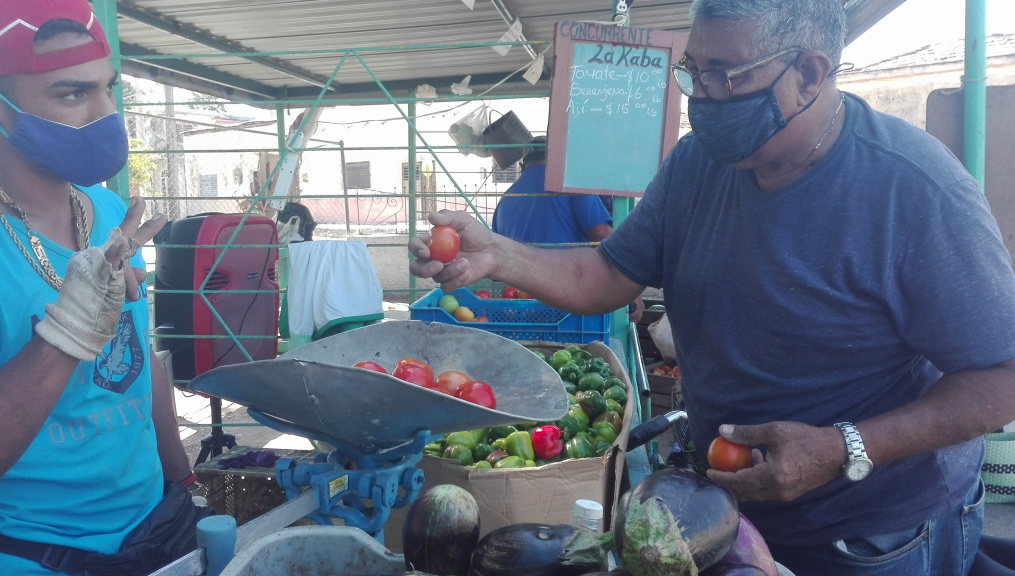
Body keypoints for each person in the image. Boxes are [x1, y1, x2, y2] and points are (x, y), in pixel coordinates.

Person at [409, 0, 1015, 574]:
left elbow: (1002, 378)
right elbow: (608, 275)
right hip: (726, 518)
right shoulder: (697, 163)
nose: (702, 97)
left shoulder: (914, 190)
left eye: (724, 75)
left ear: (808, 73)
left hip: (871, 536)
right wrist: (500, 255)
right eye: (692, 72)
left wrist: (843, 447)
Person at [0, 1, 197, 574]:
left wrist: (181, 479)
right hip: (34, 550)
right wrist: (65, 333)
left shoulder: (108, 210)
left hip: (158, 527)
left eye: (110, 90)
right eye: (71, 94)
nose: (107, 116)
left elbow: (138, 362)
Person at [492, 136, 644, 322]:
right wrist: (627, 285)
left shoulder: (504, 202)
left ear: (523, 166)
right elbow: (601, 235)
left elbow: (498, 258)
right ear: (559, 157)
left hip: (523, 308)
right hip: (572, 305)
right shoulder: (568, 183)